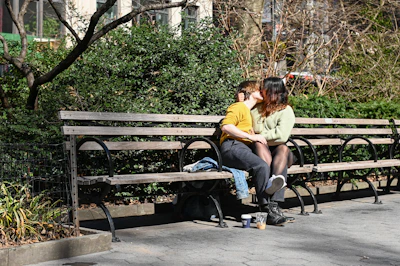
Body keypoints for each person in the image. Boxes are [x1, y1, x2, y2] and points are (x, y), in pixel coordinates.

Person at [220, 80, 287, 226]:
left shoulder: (250, 111)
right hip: (232, 147)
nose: (263, 92)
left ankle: (272, 205)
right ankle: (265, 209)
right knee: (261, 166)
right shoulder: (238, 106)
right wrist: (250, 136)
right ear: (250, 93)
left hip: (243, 148)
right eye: (259, 90)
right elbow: (226, 127)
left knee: (272, 161)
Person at [250, 77, 296, 221]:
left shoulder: (286, 110)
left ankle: (270, 203)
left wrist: (259, 135)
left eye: (263, 89)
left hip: (280, 151)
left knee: (282, 149)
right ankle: (272, 205)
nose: (261, 91)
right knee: (258, 144)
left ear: (273, 91)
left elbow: (281, 136)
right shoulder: (256, 109)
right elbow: (250, 130)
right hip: (261, 150)